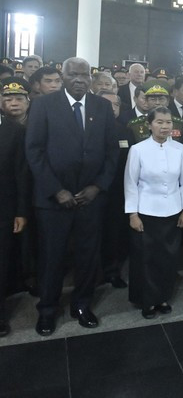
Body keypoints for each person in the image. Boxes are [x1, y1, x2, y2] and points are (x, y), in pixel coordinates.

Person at [25, 57, 119, 336]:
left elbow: (112, 152)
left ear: (91, 78)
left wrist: (97, 186)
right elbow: (34, 151)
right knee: (52, 256)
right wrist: (57, 190)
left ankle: (82, 304)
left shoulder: (102, 107)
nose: (79, 80)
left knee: (87, 255)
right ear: (62, 76)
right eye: (73, 75)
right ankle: (47, 310)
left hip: (90, 198)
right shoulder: (43, 105)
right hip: (54, 200)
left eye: (84, 75)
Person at [124, 107, 183, 318]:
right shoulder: (138, 149)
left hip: (173, 212)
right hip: (146, 212)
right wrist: (132, 214)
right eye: (160, 122)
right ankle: (147, 300)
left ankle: (163, 297)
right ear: (149, 125)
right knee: (146, 259)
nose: (165, 126)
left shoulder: (180, 149)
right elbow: (130, 183)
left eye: (168, 122)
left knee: (168, 258)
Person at [0, 84, 30, 337]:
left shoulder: (14, 131)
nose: (11, 102)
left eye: (17, 98)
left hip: (4, 206)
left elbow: (21, 174)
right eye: (6, 97)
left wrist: (21, 211)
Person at [97, 91, 133, 289]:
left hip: (117, 192)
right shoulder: (87, 129)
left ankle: (112, 271)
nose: (111, 109)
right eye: (105, 104)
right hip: (92, 192)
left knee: (114, 234)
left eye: (115, 105)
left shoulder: (126, 132)